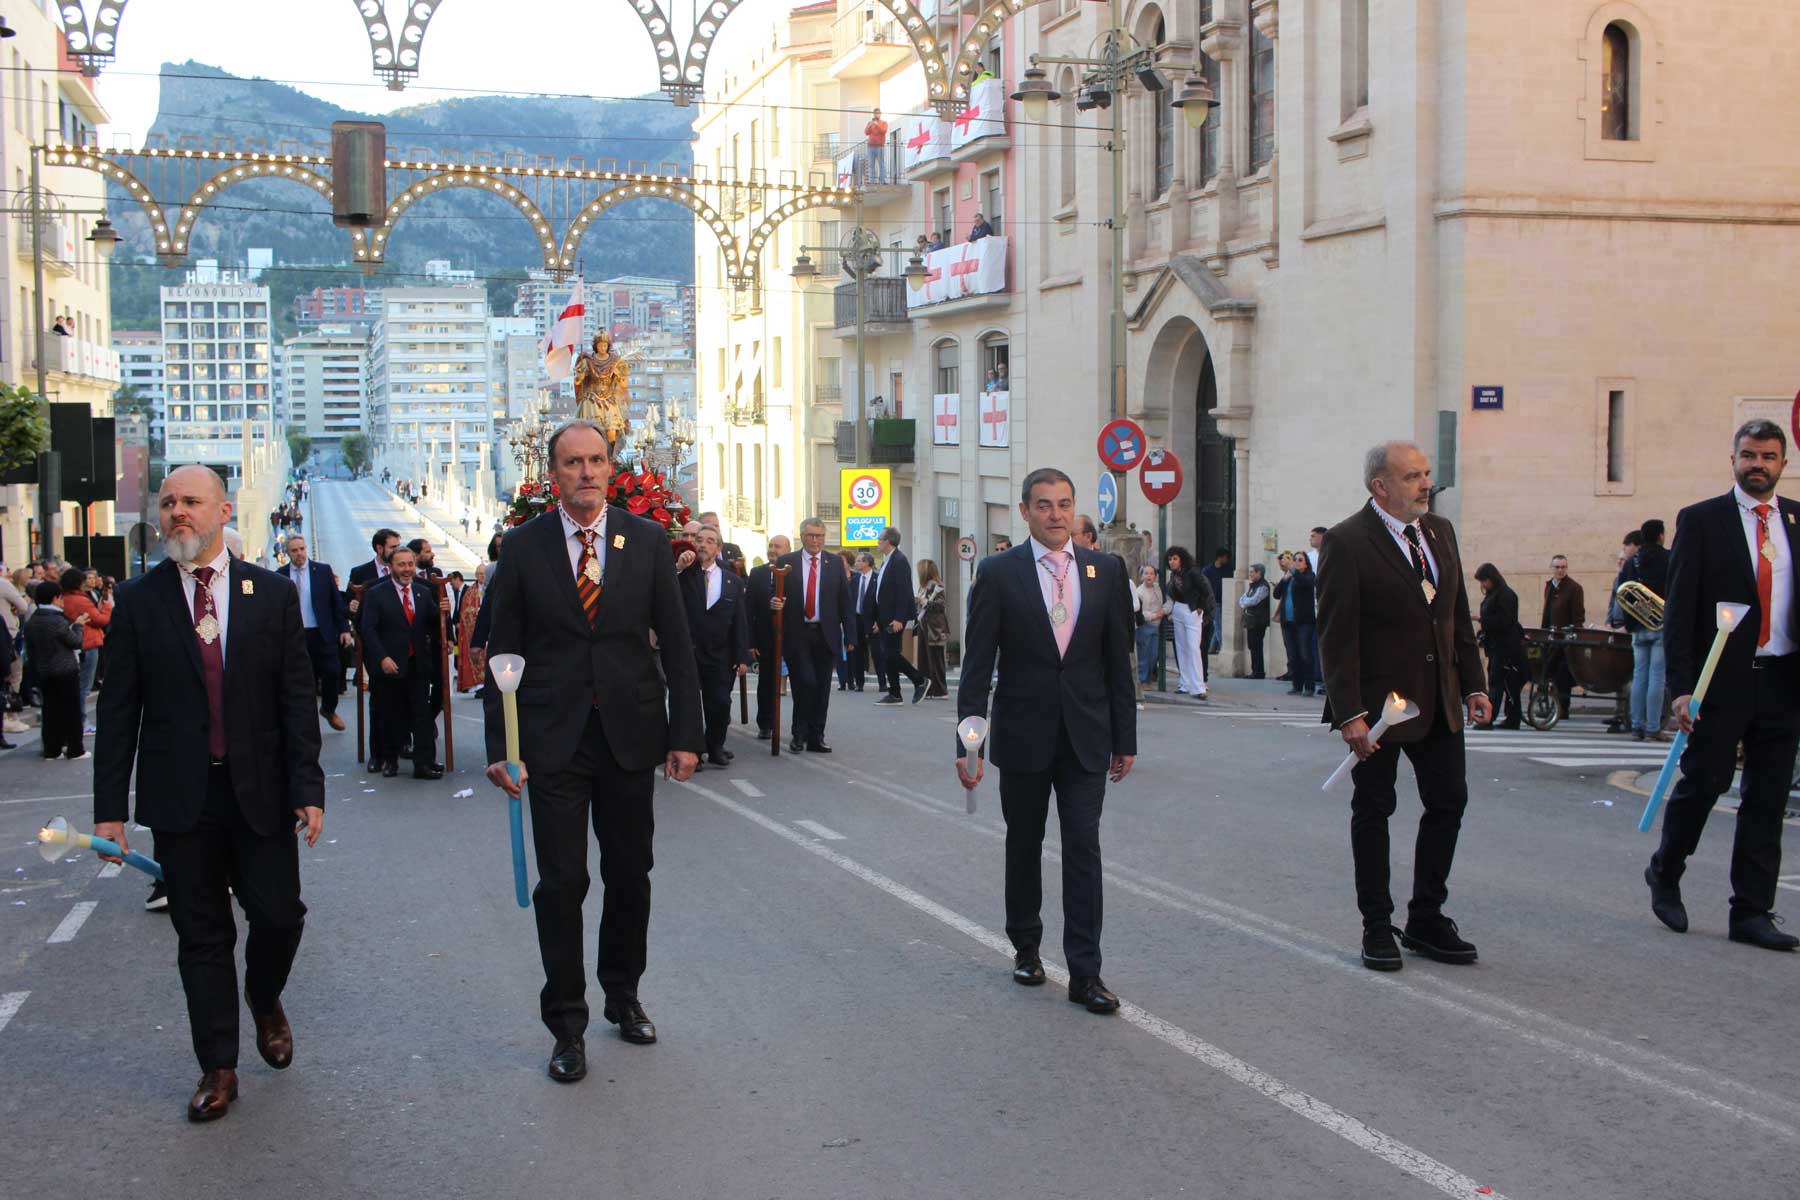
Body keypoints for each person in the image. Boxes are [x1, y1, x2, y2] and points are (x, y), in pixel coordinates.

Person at [94, 464, 324, 1121]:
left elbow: (295, 697)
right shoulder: (139, 601)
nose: (177, 512)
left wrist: (308, 787)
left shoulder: (270, 595)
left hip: (261, 793)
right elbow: (119, 713)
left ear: (224, 512)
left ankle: (264, 997)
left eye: (191, 501)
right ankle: (218, 1066)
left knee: (279, 916)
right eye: (168, 502)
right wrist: (109, 812)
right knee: (201, 936)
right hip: (180, 798)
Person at [482, 420, 702, 1081]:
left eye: (597, 460)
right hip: (553, 742)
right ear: (554, 475)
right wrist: (501, 747)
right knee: (563, 883)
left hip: (630, 737)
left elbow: (677, 642)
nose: (586, 472)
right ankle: (566, 1025)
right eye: (573, 462)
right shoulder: (524, 548)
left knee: (630, 874)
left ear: (611, 469)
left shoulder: (648, 541)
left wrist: (686, 735)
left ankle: (623, 994)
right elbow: (502, 652)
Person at [956, 467, 1136, 1014]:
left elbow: (1118, 662)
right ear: (1025, 511)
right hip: (1024, 734)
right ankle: (1026, 948)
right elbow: (977, 665)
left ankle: (1086, 973)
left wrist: (1125, 738)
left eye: (1063, 504)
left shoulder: (1106, 570)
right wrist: (969, 745)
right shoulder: (998, 572)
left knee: (1084, 847)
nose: (1055, 515)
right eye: (1044, 505)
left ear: (1073, 509)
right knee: (1024, 844)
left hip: (1087, 736)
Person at [1318, 441, 1491, 972]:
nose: (1425, 485)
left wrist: (1474, 684)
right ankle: (1376, 925)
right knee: (1374, 810)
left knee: (1449, 801)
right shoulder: (1348, 541)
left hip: (1438, 699)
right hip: (1378, 709)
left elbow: (1455, 614)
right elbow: (1336, 635)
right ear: (1381, 486)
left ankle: (1426, 917)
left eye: (1426, 474)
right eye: (1413, 476)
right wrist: (1349, 713)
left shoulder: (1439, 531)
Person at [1645, 419, 1800, 952]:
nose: (1758, 465)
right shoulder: (1702, 520)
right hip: (1720, 681)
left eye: (1768, 456)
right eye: (1749, 455)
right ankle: (1665, 870)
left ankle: (1751, 911)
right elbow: (1679, 611)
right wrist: (1682, 688)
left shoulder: (1796, 519)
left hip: (1783, 680)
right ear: (1733, 459)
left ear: (1783, 464)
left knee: (1767, 799)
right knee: (1704, 784)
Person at [359, 545, 447, 780]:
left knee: (422, 715)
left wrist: (443, 612)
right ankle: (390, 760)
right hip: (390, 665)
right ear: (391, 567)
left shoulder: (422, 592)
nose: (407, 569)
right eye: (401, 565)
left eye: (410, 564)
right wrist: (382, 658)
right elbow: (368, 630)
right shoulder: (376, 594)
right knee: (391, 715)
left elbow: (432, 623)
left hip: (417, 664)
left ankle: (424, 763)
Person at [773, 518, 857, 752]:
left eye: (819, 536)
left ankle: (816, 736)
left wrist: (851, 636)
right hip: (797, 633)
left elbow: (845, 601)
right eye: (811, 535)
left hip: (825, 633)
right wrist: (775, 603)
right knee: (805, 682)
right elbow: (775, 593)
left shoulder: (835, 563)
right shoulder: (787, 562)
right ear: (802, 536)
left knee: (822, 687)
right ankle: (798, 733)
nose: (815, 540)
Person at [680, 525, 750, 768]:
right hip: (689, 652)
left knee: (720, 703)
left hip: (720, 655)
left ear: (718, 548)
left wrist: (742, 656)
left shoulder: (732, 581)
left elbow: (739, 621)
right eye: (699, 540)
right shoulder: (683, 575)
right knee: (689, 705)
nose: (703, 544)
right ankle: (693, 751)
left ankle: (715, 746)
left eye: (710, 541)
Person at [282, 535, 354, 732]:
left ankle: (329, 709)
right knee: (303, 680)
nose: (299, 554)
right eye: (294, 550)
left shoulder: (322, 571)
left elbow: (335, 602)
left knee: (332, 671)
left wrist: (344, 629)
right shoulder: (280, 575)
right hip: (295, 636)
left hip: (322, 634)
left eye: (302, 549)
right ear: (287, 553)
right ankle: (306, 722)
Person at [347, 528, 401, 772]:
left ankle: (401, 746)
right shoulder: (361, 574)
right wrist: (352, 607)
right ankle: (377, 754)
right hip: (376, 647)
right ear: (380, 548)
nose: (398, 551)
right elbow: (350, 607)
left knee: (403, 700)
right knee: (379, 702)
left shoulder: (404, 568)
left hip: (403, 645)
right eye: (393, 547)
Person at [1621, 519, 1671, 741]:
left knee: (1639, 676)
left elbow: (1623, 594)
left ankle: (1636, 726)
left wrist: (1629, 623)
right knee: (1657, 678)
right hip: (1661, 625)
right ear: (1661, 536)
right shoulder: (1669, 558)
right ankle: (1653, 728)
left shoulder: (1633, 561)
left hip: (1637, 625)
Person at [25, 579, 84, 758]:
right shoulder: (57, 620)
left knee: (50, 711)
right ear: (55, 598)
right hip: (65, 671)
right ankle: (75, 749)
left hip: (44, 670)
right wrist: (79, 625)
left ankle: (52, 750)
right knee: (71, 711)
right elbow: (75, 641)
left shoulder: (33, 620)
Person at [874, 526, 927, 705]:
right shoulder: (887, 560)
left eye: (880, 539)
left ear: (888, 541)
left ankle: (919, 680)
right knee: (888, 655)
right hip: (884, 616)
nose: (878, 542)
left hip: (894, 617)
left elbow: (903, 591)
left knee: (891, 654)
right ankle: (895, 693)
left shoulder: (899, 560)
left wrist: (899, 618)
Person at [746, 535, 791, 739]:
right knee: (766, 683)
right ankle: (765, 723)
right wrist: (751, 641)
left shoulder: (795, 572)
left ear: (788, 549)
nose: (773, 549)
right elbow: (749, 608)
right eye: (770, 546)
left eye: (777, 546)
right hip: (765, 638)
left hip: (793, 636)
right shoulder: (758, 573)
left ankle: (802, 729)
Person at [1472, 562, 1525, 730]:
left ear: (1492, 578)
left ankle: (1490, 718)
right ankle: (1512, 718)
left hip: (1505, 647)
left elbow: (1505, 621)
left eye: (1484, 581)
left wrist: (1481, 619)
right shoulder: (1495, 594)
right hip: (1497, 646)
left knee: (1499, 683)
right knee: (1505, 683)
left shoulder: (1505, 595)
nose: (1483, 585)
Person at [1540, 553, 1586, 720]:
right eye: (1557, 567)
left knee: (1562, 674)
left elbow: (1578, 616)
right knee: (1546, 671)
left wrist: (1572, 635)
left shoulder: (1574, 588)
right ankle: (1548, 705)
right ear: (1551, 568)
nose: (1560, 570)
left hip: (1565, 638)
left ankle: (1562, 708)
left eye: (1563, 567)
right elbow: (1547, 612)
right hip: (1550, 637)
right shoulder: (1549, 586)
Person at [1163, 546, 1210, 699]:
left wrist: (1200, 607)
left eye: (1175, 559)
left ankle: (1198, 687)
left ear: (1181, 559)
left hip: (1191, 610)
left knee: (1193, 648)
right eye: (1170, 559)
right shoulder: (1174, 575)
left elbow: (1205, 590)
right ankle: (1185, 683)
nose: (1172, 562)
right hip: (1179, 609)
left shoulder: (1192, 572)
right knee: (1181, 647)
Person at [1274, 554, 1317, 696]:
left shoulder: (1309, 576)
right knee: (1292, 655)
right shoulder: (1289, 577)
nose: (1296, 562)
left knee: (1305, 654)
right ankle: (1297, 685)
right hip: (1287, 622)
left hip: (1304, 622)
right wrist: (1284, 580)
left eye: (1300, 560)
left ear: (1306, 564)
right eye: (1294, 560)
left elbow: (1306, 584)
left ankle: (1309, 686)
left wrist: (1293, 572)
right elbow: (1276, 594)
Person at [916, 558, 949, 698]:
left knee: (935, 660)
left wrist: (923, 601)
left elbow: (941, 605)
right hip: (923, 626)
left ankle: (940, 690)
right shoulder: (923, 586)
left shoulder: (936, 586)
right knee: (924, 660)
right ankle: (928, 689)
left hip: (933, 628)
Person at [1132, 563, 1166, 696]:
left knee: (1153, 654)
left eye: (1151, 574)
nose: (1149, 576)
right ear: (1142, 576)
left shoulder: (1158, 588)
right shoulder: (1139, 591)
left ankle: (1148, 678)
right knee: (1143, 654)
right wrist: (1154, 615)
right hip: (1145, 626)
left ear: (1155, 576)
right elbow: (1140, 612)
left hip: (1156, 626)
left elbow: (1167, 601)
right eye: (1146, 573)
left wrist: (1164, 610)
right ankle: (1143, 680)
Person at [456, 564, 488, 693]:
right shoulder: (470, 592)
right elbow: (464, 611)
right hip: (476, 629)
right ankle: (478, 685)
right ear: (476, 575)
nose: (482, 576)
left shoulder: (493, 587)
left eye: (484, 574)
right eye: (479, 574)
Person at [849, 550, 878, 692]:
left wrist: (879, 621)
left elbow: (881, 601)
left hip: (872, 620)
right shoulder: (855, 579)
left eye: (859, 561)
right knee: (857, 652)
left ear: (867, 563)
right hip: (856, 619)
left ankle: (883, 682)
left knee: (877, 652)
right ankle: (859, 682)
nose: (856, 563)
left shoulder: (877, 578)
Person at [1237, 563, 1271, 679]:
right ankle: (1255, 670)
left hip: (1259, 620)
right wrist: (1244, 602)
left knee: (1256, 645)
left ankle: (1258, 672)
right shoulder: (1253, 586)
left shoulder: (1263, 586)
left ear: (1259, 573)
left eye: (1252, 572)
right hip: (1252, 620)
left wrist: (1245, 602)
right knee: (1252, 645)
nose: (1250, 574)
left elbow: (1254, 600)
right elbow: (1242, 599)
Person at [1202, 549, 1230, 669]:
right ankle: (1223, 647)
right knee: (1218, 625)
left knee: (1216, 625)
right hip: (1213, 602)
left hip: (1224, 600)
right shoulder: (1208, 570)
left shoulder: (1227, 570)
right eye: (1225, 557)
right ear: (1220, 557)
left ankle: (1212, 647)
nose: (1227, 560)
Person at [864, 107, 889, 184]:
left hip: (879, 146)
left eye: (878, 113)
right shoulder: (870, 123)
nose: (876, 115)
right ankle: (872, 181)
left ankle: (882, 181)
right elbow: (866, 132)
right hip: (870, 146)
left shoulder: (884, 123)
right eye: (875, 113)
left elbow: (883, 131)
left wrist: (877, 125)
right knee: (871, 165)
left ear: (880, 114)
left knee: (881, 164)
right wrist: (870, 125)